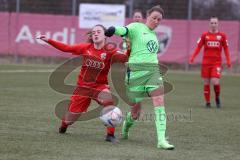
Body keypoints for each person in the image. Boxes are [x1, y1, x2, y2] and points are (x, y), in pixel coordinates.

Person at [38, 24, 128, 143]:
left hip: (99, 86)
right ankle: (64, 125)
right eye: (93, 32)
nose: (95, 33)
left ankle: (110, 135)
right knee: (70, 120)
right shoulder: (85, 48)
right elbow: (66, 48)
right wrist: (49, 40)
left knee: (108, 100)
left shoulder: (110, 50)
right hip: (83, 88)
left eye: (98, 31)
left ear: (105, 35)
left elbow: (125, 58)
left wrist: (130, 47)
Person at [105, 5, 174, 150]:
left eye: (159, 20)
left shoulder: (154, 36)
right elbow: (124, 30)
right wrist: (113, 29)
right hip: (135, 73)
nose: (156, 21)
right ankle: (126, 127)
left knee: (159, 100)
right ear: (147, 16)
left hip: (152, 72)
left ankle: (161, 140)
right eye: (154, 18)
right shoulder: (137, 27)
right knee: (135, 113)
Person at [189, 16, 231, 108]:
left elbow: (226, 49)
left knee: (215, 81)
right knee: (206, 82)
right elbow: (198, 47)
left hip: (216, 63)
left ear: (218, 24)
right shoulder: (204, 35)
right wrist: (192, 57)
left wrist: (228, 60)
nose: (213, 25)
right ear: (209, 24)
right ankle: (208, 102)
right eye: (212, 23)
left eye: (215, 23)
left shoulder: (222, 36)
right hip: (206, 63)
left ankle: (217, 98)